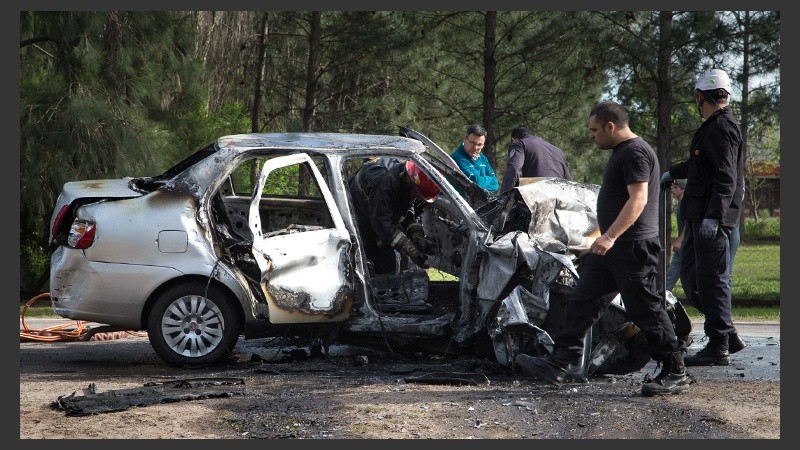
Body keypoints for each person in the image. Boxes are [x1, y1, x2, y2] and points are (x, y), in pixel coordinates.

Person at [515, 100, 693, 397]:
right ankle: (560, 362)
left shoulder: (635, 152)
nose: (591, 135)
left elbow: (638, 200)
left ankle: (675, 370)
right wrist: (602, 239)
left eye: (595, 130)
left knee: (646, 309)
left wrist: (609, 236)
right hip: (612, 249)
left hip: (631, 247)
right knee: (583, 300)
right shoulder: (622, 152)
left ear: (611, 126)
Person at [660, 68, 746, 365]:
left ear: (700, 96)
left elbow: (726, 177)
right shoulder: (713, 126)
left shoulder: (722, 127)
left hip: (712, 218)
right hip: (698, 215)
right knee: (694, 279)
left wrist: (714, 216)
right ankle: (727, 333)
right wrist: (673, 171)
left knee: (712, 280)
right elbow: (702, 166)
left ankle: (719, 345)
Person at [348, 157, 440, 275]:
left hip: (377, 212)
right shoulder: (385, 183)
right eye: (416, 193)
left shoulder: (407, 179)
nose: (416, 196)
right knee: (381, 265)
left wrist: (417, 234)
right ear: (411, 182)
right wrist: (411, 250)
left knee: (398, 261)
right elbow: (382, 225)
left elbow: (408, 211)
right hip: (359, 213)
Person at [498, 125, 572, 193]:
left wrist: (504, 196)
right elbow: (568, 180)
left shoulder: (519, 144)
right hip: (560, 196)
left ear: (514, 139)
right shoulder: (557, 150)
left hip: (537, 196)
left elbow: (514, 168)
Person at [450, 124, 499, 192]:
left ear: (483, 145)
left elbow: (495, 185)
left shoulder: (483, 158)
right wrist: (489, 178)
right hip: (461, 201)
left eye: (479, 145)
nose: (475, 148)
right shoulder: (457, 158)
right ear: (465, 139)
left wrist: (481, 185)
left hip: (481, 201)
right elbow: (476, 183)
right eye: (472, 143)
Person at [664, 179, 687, 292]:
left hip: (685, 244)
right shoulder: (680, 203)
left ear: (682, 189)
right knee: (672, 274)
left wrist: (680, 240)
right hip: (684, 244)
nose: (672, 190)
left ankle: (662, 297)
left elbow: (688, 223)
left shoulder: (685, 204)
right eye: (672, 187)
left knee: (673, 273)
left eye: (675, 188)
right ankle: (662, 297)